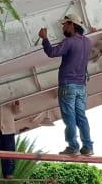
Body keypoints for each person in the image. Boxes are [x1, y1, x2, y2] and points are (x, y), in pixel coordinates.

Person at [39, 13, 94, 156]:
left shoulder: (69, 41)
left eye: (64, 24)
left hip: (67, 85)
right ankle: (88, 146)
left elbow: (52, 52)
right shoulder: (88, 42)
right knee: (81, 116)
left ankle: (73, 147)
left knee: (69, 118)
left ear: (72, 25)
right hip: (81, 86)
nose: (63, 28)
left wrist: (44, 38)